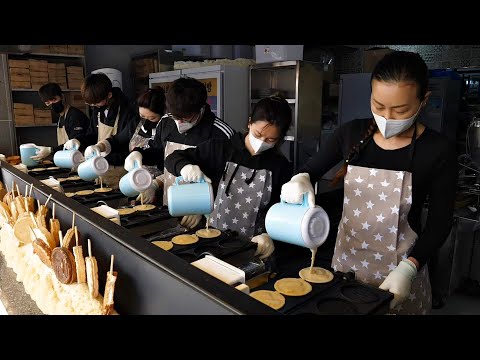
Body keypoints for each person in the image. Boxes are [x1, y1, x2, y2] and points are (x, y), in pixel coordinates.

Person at [280, 51, 457, 315]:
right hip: (347, 265)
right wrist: (300, 179)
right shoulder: (349, 133)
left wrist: (410, 268)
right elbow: (310, 170)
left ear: (423, 101)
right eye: (378, 105)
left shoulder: (438, 149)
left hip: (402, 269)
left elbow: (440, 222)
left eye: (401, 110)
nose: (387, 117)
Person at [165, 95, 293, 259]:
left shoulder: (280, 166)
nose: (262, 142)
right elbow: (173, 158)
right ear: (249, 122)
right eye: (258, 133)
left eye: (270, 139)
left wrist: (270, 235)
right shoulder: (220, 148)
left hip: (254, 247)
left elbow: (281, 210)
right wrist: (185, 167)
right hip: (213, 239)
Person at [124, 77, 235, 229]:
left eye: (186, 118)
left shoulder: (221, 134)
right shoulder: (166, 122)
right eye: (176, 117)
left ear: (201, 107)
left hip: (205, 215)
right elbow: (159, 154)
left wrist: (201, 205)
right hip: (169, 203)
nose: (179, 123)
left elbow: (228, 182)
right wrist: (140, 154)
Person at [65, 73, 138, 187]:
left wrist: (105, 158)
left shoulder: (127, 111)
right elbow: (92, 134)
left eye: (96, 103)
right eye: (91, 104)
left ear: (109, 95)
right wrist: (78, 141)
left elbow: (125, 144)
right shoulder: (98, 110)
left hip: (120, 171)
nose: (94, 106)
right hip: (100, 168)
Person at [84, 88, 166, 178]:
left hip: (157, 181)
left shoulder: (166, 129)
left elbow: (160, 156)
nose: (146, 121)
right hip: (133, 179)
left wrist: (141, 154)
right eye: (142, 116)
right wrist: (101, 146)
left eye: (152, 118)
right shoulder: (136, 123)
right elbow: (118, 141)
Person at [31, 83, 90, 161]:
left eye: (54, 100)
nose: (52, 104)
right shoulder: (61, 118)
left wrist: (50, 150)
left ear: (62, 96)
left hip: (81, 161)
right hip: (68, 160)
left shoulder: (75, 116)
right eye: (48, 103)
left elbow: (76, 144)